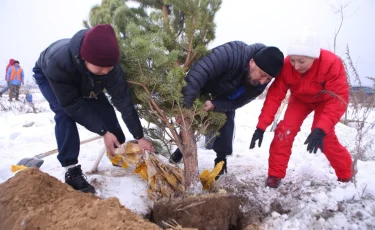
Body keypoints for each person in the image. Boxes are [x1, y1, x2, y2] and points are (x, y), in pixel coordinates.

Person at [32, 24, 155, 194]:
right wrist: (103, 132)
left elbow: (123, 102)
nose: (105, 72)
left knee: (106, 110)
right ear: (84, 58)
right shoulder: (58, 62)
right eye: (100, 68)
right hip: (50, 75)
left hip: (87, 79)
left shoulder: (109, 69)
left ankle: (116, 151)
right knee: (64, 114)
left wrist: (139, 136)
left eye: (109, 68)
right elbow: (72, 104)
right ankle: (71, 170)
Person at [250, 29, 352, 188]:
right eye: (292, 61)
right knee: (284, 131)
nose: (296, 66)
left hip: (325, 100)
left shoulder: (332, 64)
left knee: (324, 137)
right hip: (300, 99)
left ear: (314, 57)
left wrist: (321, 129)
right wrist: (261, 127)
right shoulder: (286, 66)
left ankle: (346, 174)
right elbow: (274, 96)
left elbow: (337, 99)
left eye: (301, 61)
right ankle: (275, 174)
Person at [169, 41, 284, 178]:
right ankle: (183, 150)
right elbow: (199, 72)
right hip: (202, 86)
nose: (262, 81)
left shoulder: (258, 85)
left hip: (222, 96)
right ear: (252, 62)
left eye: (268, 79)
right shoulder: (231, 54)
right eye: (262, 74)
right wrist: (185, 107)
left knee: (227, 120)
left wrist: (216, 104)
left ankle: (221, 160)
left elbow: (237, 102)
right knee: (191, 117)